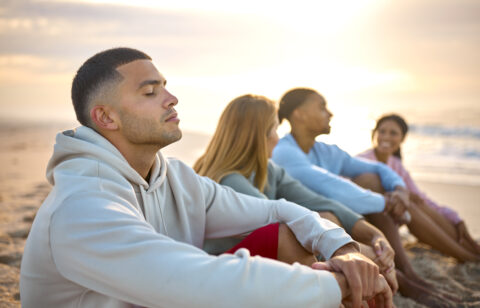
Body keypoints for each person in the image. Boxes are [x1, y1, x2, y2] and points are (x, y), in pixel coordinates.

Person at [20, 48, 392, 308]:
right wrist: (339, 284)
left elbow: (279, 210)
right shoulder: (82, 207)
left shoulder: (177, 179)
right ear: (105, 118)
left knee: (287, 233)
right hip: (178, 294)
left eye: (165, 86)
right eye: (151, 91)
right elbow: (202, 283)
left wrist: (345, 251)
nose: (172, 98)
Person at [271, 87, 459, 306]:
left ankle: (409, 271)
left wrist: (399, 189)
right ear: (298, 114)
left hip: (341, 219)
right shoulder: (284, 152)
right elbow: (333, 188)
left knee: (373, 180)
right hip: (313, 230)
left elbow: (378, 168)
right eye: (322, 107)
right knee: (361, 196)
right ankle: (405, 276)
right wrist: (387, 202)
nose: (330, 113)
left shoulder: (325, 151)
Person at [194, 94, 398, 293]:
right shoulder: (230, 180)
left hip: (260, 264)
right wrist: (361, 255)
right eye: (275, 129)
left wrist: (376, 236)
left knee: (327, 216)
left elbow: (320, 201)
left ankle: (366, 277)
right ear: (259, 136)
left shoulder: (271, 170)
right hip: (226, 273)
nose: (278, 138)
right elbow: (280, 224)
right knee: (291, 232)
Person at [357, 113, 480, 262]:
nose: (386, 137)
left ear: (402, 139)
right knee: (408, 203)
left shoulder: (395, 163)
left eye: (393, 133)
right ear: (374, 134)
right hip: (366, 219)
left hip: (390, 216)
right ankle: (465, 256)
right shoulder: (362, 160)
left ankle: (470, 248)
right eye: (382, 131)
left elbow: (423, 199)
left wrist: (455, 219)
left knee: (416, 201)